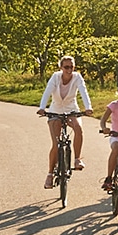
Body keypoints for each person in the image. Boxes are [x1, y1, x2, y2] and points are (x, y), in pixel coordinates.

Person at [37, 56, 93, 190]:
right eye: (66, 67)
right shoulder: (55, 77)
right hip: (55, 110)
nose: (69, 70)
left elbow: (83, 91)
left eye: (71, 67)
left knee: (78, 129)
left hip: (71, 109)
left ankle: (77, 158)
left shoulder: (77, 77)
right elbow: (47, 91)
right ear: (61, 68)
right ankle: (50, 174)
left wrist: (88, 107)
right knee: (56, 144)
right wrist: (42, 107)